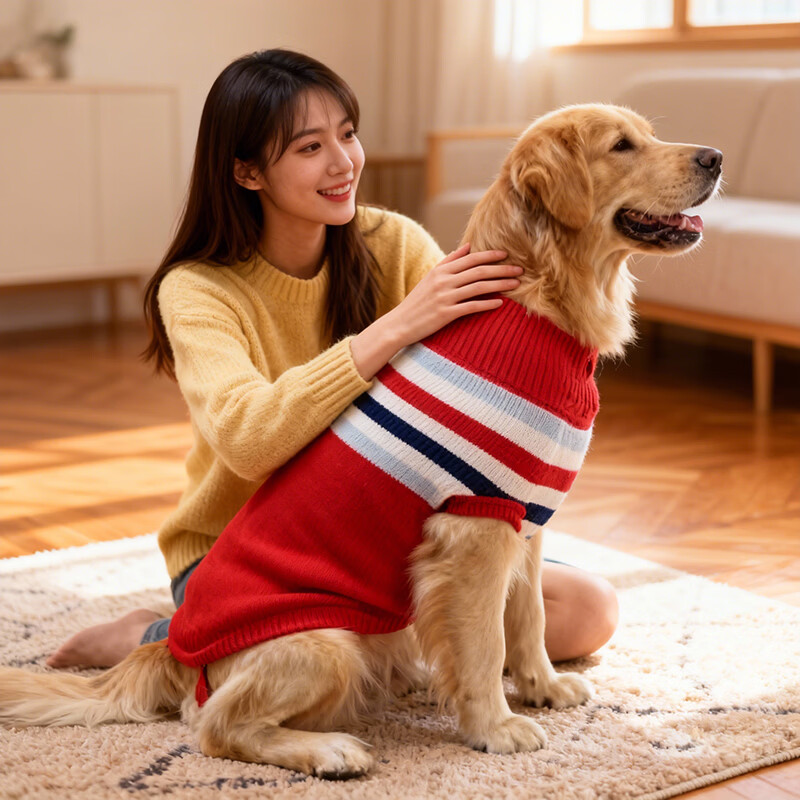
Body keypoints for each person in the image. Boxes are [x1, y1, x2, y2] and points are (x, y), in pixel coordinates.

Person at [47, 48, 617, 671]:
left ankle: (378, 640)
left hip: (391, 535)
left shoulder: (393, 243)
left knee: (587, 611)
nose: (343, 162)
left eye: (347, 134)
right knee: (358, 653)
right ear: (246, 172)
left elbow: (478, 412)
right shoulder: (196, 289)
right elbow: (249, 440)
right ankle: (155, 637)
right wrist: (397, 326)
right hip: (251, 557)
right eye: (309, 147)